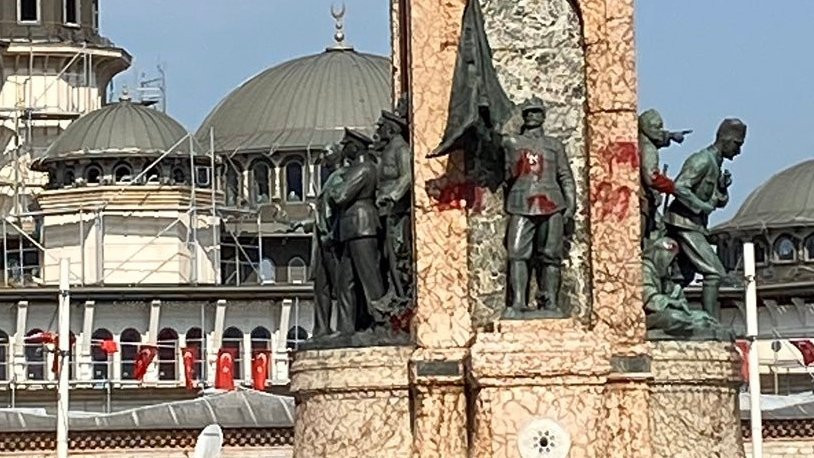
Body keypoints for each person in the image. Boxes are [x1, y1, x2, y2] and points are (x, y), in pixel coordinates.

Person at [665, 118, 746, 321]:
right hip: (683, 224)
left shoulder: (717, 165)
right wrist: (701, 206)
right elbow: (679, 187)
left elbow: (716, 202)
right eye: (737, 144)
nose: (738, 151)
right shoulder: (701, 160)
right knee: (715, 273)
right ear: (726, 139)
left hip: (696, 225)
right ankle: (712, 322)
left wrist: (722, 189)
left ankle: (669, 312)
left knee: (682, 276)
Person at [502, 97, 576, 315]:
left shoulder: (554, 145)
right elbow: (507, 173)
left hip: (551, 203)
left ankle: (551, 302)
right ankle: (518, 303)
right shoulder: (513, 142)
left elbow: (565, 175)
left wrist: (570, 204)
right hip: (521, 202)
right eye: (528, 113)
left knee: (551, 255)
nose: (532, 116)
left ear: (543, 116)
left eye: (536, 112)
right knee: (516, 253)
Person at [329, 128, 386, 333]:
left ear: (354, 147)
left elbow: (340, 196)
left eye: (346, 146)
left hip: (362, 226)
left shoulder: (363, 169)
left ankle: (382, 322)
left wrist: (334, 188)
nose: (344, 150)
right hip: (351, 229)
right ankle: (345, 329)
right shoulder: (359, 168)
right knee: (345, 282)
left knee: (369, 278)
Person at [643, 237, 722, 338]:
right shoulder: (644, 270)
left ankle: (697, 322)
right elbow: (649, 299)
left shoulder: (664, 274)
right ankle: (691, 322)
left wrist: (678, 296)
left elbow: (676, 295)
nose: (670, 262)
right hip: (647, 317)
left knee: (702, 316)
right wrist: (672, 302)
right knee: (675, 318)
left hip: (665, 313)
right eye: (667, 257)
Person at [638, 109, 689, 241]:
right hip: (643, 201)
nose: (661, 130)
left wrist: (671, 136)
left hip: (646, 200)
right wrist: (671, 186)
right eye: (657, 127)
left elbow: (659, 137)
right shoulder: (648, 148)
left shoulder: (641, 139)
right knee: (658, 232)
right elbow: (651, 178)